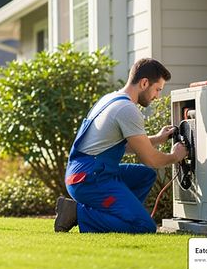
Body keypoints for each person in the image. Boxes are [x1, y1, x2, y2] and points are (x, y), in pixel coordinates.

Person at [54, 58, 188, 233]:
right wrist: (175, 156)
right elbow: (149, 158)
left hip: (89, 172)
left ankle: (121, 216)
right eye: (157, 89)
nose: (157, 96)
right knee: (144, 226)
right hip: (90, 178)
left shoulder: (110, 99)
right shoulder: (127, 109)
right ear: (144, 83)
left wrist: (157, 138)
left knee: (145, 176)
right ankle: (77, 213)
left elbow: (123, 145)